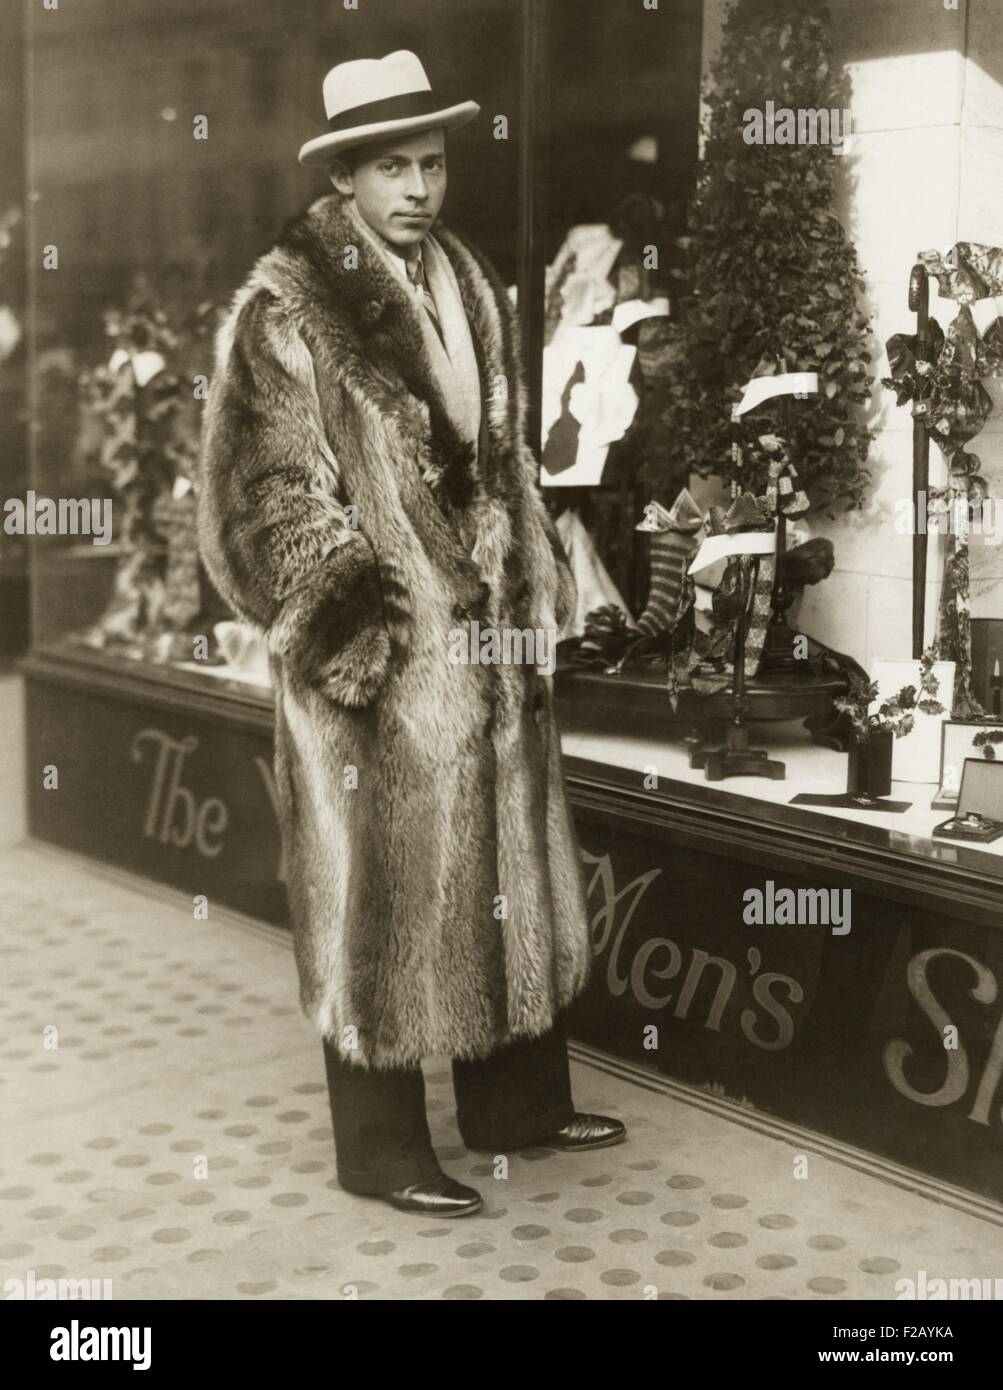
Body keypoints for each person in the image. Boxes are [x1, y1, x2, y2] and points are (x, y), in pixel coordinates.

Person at [197, 49, 626, 1218]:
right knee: (380, 897)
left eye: (431, 161)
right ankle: (380, 1149)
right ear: (343, 176)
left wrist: (524, 587)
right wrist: (362, 639)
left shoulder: (467, 278)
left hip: (481, 655)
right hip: (379, 672)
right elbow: (258, 500)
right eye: (393, 165)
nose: (420, 185)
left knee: (499, 871)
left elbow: (499, 461)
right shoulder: (288, 307)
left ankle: (517, 1105)